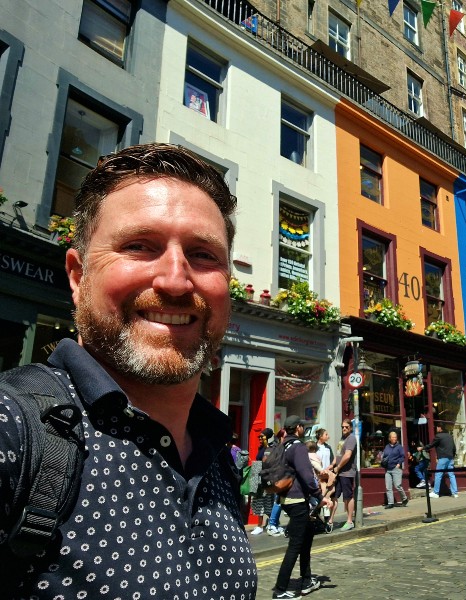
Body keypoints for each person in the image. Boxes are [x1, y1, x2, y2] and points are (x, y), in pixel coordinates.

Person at [0, 144, 257, 597]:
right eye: (139, 246)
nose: (176, 280)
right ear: (79, 278)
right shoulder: (16, 428)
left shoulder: (219, 457)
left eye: (203, 255)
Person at [272, 415, 332, 599]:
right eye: (302, 427)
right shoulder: (298, 447)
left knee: (306, 540)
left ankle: (306, 581)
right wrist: (319, 496)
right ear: (297, 428)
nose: (303, 430)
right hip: (297, 500)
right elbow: (306, 474)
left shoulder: (283, 445)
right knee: (295, 545)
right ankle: (280, 589)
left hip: (286, 498)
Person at [332, 419, 357, 530]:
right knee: (335, 496)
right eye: (342, 427)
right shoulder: (342, 438)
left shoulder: (351, 438)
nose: (344, 429)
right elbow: (338, 454)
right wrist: (332, 465)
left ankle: (349, 521)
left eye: (346, 427)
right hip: (339, 472)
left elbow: (347, 456)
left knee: (348, 497)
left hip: (347, 473)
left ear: (350, 428)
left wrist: (338, 467)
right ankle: (330, 520)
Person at [251, 428, 275, 536]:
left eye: (262, 436)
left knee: (267, 501)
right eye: (259, 437)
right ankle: (262, 524)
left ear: (267, 437)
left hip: (265, 478)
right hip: (258, 477)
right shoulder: (261, 448)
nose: (260, 438)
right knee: (259, 501)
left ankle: (267, 524)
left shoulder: (270, 448)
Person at [425, 424, 458, 498]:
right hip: (450, 458)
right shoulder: (450, 436)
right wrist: (452, 455)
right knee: (451, 475)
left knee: (438, 474)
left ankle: (436, 492)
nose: (436, 429)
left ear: (440, 428)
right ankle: (455, 493)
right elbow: (454, 447)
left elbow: (431, 445)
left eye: (437, 427)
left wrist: (423, 448)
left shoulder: (438, 436)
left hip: (443, 457)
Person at [382, 430, 409, 508]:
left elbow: (402, 456)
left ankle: (404, 498)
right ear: (389, 438)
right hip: (387, 469)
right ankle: (390, 503)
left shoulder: (399, 447)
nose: (394, 438)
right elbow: (384, 455)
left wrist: (398, 464)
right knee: (388, 487)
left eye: (395, 437)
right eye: (393, 437)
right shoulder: (387, 446)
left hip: (396, 468)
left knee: (397, 486)